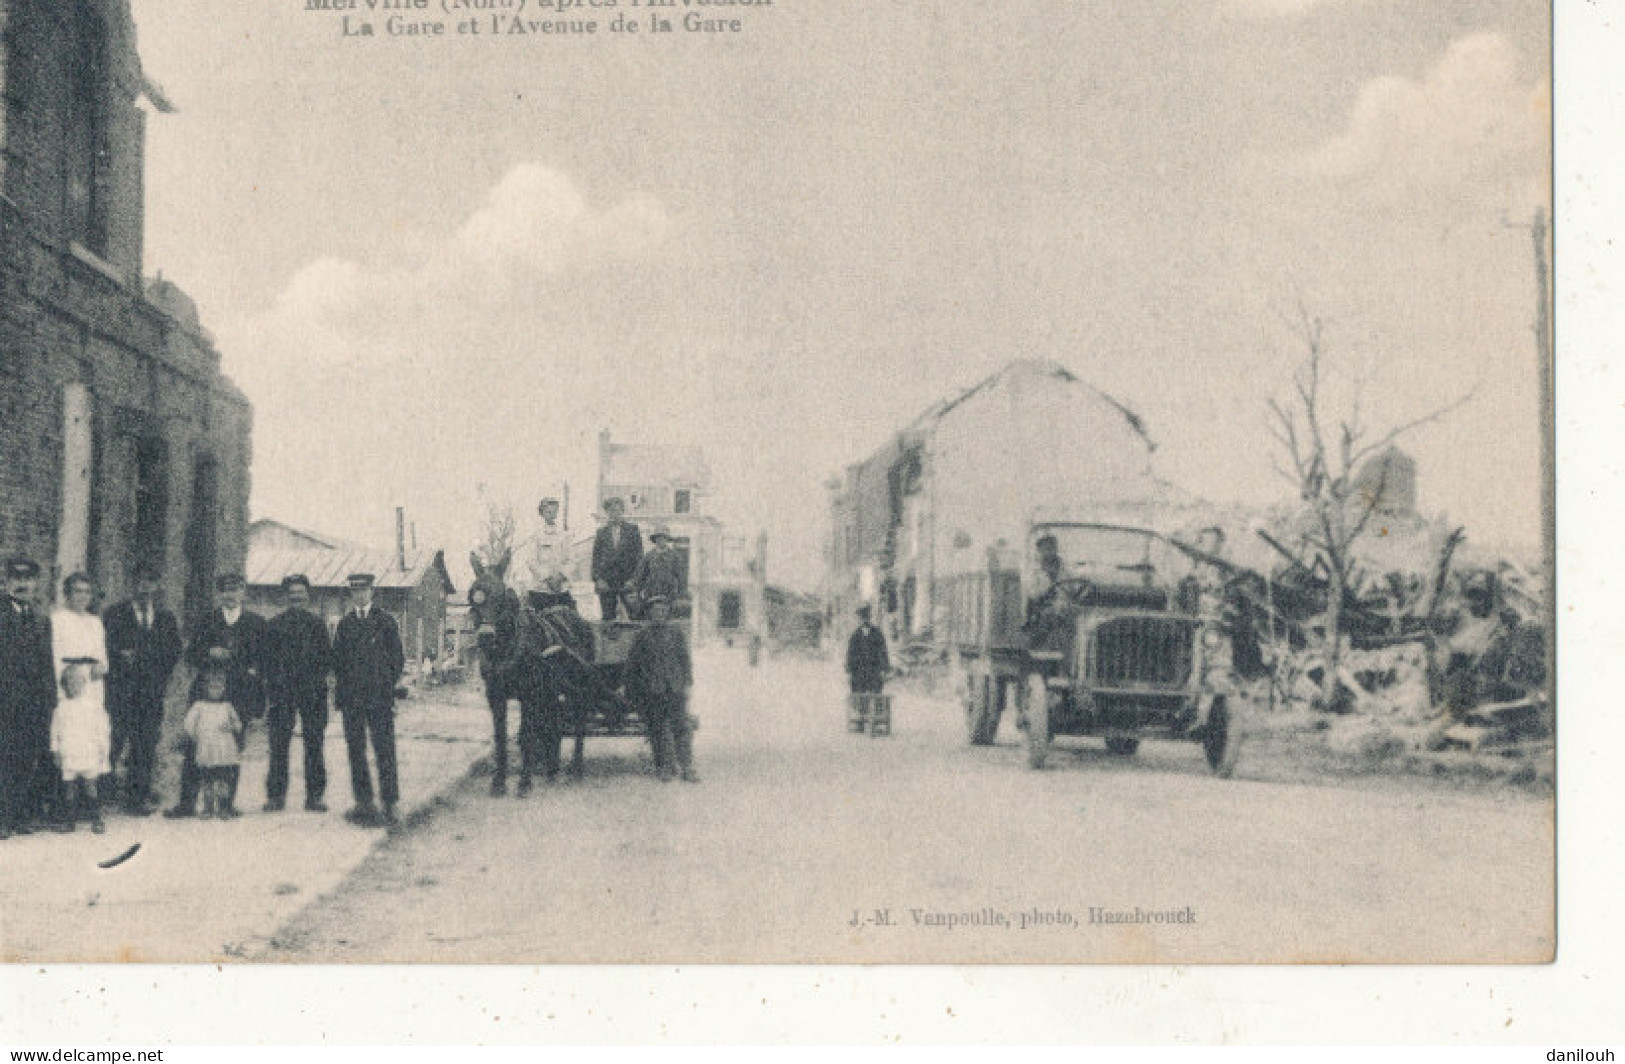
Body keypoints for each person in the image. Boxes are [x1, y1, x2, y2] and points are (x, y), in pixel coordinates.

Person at [167, 574, 267, 818]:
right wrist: (208, 651)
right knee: (194, 747)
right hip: (206, 693)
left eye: (235, 590)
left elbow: (265, 661)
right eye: (225, 591)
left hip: (239, 694)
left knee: (231, 748)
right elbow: (190, 655)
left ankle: (225, 804)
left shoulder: (256, 622)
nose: (230, 595)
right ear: (219, 594)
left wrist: (256, 697)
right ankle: (187, 803)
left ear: (243, 592)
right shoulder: (207, 620)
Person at [103, 568, 182, 814]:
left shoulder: (165, 617)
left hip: (150, 693)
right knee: (113, 741)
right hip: (120, 691)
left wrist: (158, 676)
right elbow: (104, 648)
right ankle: (101, 796)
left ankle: (137, 799)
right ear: (132, 584)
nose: (145, 587)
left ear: (156, 586)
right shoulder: (114, 614)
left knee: (145, 744)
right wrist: (119, 658)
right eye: (140, 582)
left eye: (150, 581)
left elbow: (173, 652)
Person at [333, 573, 405, 827]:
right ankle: (364, 802)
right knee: (356, 751)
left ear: (372, 592)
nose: (359, 595)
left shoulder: (385, 622)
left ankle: (390, 802)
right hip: (352, 700)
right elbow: (339, 664)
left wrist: (385, 686)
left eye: (363, 591)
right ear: (351, 594)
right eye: (354, 591)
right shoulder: (345, 625)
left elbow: (397, 659)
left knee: (384, 749)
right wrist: (341, 697)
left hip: (379, 699)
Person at [263, 574, 333, 813]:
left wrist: (313, 681)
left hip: (312, 692)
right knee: (278, 744)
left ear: (307, 597)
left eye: (301, 596)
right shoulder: (273, 625)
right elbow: (267, 662)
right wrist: (275, 684)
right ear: (286, 598)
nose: (297, 600)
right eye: (292, 597)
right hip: (282, 692)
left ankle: (314, 797)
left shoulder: (318, 625)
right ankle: (276, 796)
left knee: (314, 743)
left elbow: (326, 659)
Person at [1, 557, 56, 839]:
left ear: (36, 584)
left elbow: (46, 663)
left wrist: (50, 701)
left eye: (28, 580)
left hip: (32, 703)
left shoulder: (39, 619)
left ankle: (18, 815)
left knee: (25, 758)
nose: (23, 585)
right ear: (6, 581)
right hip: (4, 701)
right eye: (17, 579)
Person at [51, 572, 108, 823]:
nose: (82, 596)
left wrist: (101, 666)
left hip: (91, 681)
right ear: (67, 593)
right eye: (77, 591)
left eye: (87, 591)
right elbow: (54, 653)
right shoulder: (57, 619)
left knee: (90, 733)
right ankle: (63, 804)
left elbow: (101, 652)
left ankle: (89, 802)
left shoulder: (95, 622)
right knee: (69, 735)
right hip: (67, 679)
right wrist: (62, 681)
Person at [625, 596, 697, 782]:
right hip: (653, 690)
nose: (660, 614)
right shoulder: (642, 635)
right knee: (656, 729)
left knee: (681, 728)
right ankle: (662, 767)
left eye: (663, 611)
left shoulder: (676, 633)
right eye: (656, 611)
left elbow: (684, 659)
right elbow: (633, 664)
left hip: (675, 688)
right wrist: (633, 689)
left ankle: (687, 767)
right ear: (650, 613)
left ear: (668, 613)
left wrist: (687, 682)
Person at [51, 659, 110, 833]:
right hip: (69, 752)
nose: (74, 685)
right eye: (70, 682)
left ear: (85, 683)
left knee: (90, 786)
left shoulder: (92, 707)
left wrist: (102, 749)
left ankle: (96, 819)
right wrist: (55, 751)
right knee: (69, 788)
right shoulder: (61, 708)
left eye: (78, 681)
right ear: (64, 685)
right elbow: (55, 732)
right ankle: (70, 821)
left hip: (88, 752)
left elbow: (101, 729)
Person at [183, 663, 243, 819]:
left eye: (219, 688)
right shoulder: (199, 706)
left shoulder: (227, 706)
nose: (215, 691)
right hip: (207, 748)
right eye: (212, 687)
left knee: (224, 779)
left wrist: (230, 726)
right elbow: (188, 723)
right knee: (208, 779)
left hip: (224, 749)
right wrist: (194, 735)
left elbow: (238, 724)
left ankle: (224, 807)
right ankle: (208, 807)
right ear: (206, 688)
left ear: (224, 689)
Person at [591, 497, 643, 621]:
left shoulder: (633, 530)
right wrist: (598, 580)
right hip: (607, 584)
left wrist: (634, 580)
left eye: (617, 510)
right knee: (608, 618)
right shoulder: (601, 532)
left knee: (635, 616)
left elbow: (639, 558)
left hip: (628, 582)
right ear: (607, 513)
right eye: (611, 511)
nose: (615, 514)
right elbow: (595, 559)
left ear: (622, 511)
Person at [626, 525, 685, 619]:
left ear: (667, 539)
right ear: (655, 539)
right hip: (651, 593)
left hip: (669, 593)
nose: (661, 540)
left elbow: (681, 577)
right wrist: (635, 588)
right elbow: (640, 575)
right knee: (651, 617)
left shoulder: (675, 557)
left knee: (667, 617)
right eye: (658, 538)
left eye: (663, 538)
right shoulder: (648, 556)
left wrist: (680, 595)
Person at [845, 605, 889, 695]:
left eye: (866, 618)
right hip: (858, 673)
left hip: (874, 672)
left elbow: (883, 651)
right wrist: (849, 670)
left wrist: (884, 669)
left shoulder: (877, 633)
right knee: (859, 699)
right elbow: (850, 654)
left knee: (876, 698)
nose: (864, 621)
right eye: (861, 618)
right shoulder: (855, 635)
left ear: (869, 618)